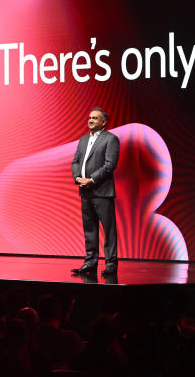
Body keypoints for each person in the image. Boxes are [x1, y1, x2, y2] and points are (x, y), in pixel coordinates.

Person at [71, 106, 120, 276]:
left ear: (104, 122)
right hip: (85, 191)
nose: (90, 120)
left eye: (95, 118)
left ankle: (111, 263)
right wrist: (78, 178)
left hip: (102, 191)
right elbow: (76, 161)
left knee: (108, 229)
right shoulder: (83, 140)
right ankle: (90, 262)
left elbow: (109, 165)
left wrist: (91, 180)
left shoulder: (111, 139)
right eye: (89, 117)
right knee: (89, 229)